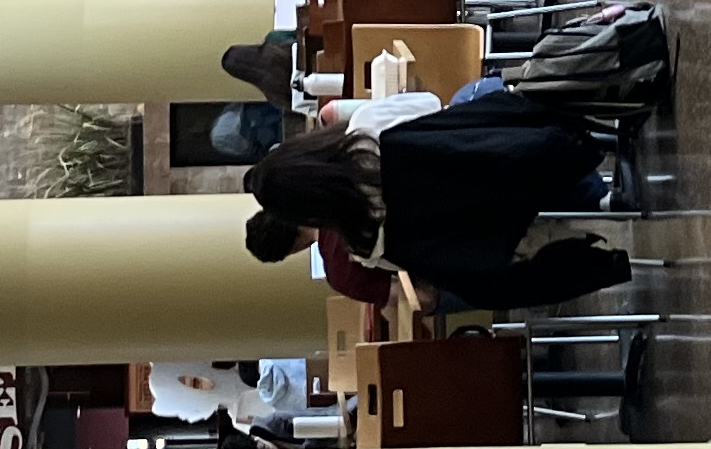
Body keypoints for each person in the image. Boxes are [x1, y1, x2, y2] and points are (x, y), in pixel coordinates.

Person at [239, 112, 633, 312]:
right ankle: (597, 145)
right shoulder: (362, 131)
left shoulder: (362, 247)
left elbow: (421, 295)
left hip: (490, 232)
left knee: (471, 281)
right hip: (496, 151)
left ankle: (598, 215)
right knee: (481, 104)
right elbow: (429, 107)